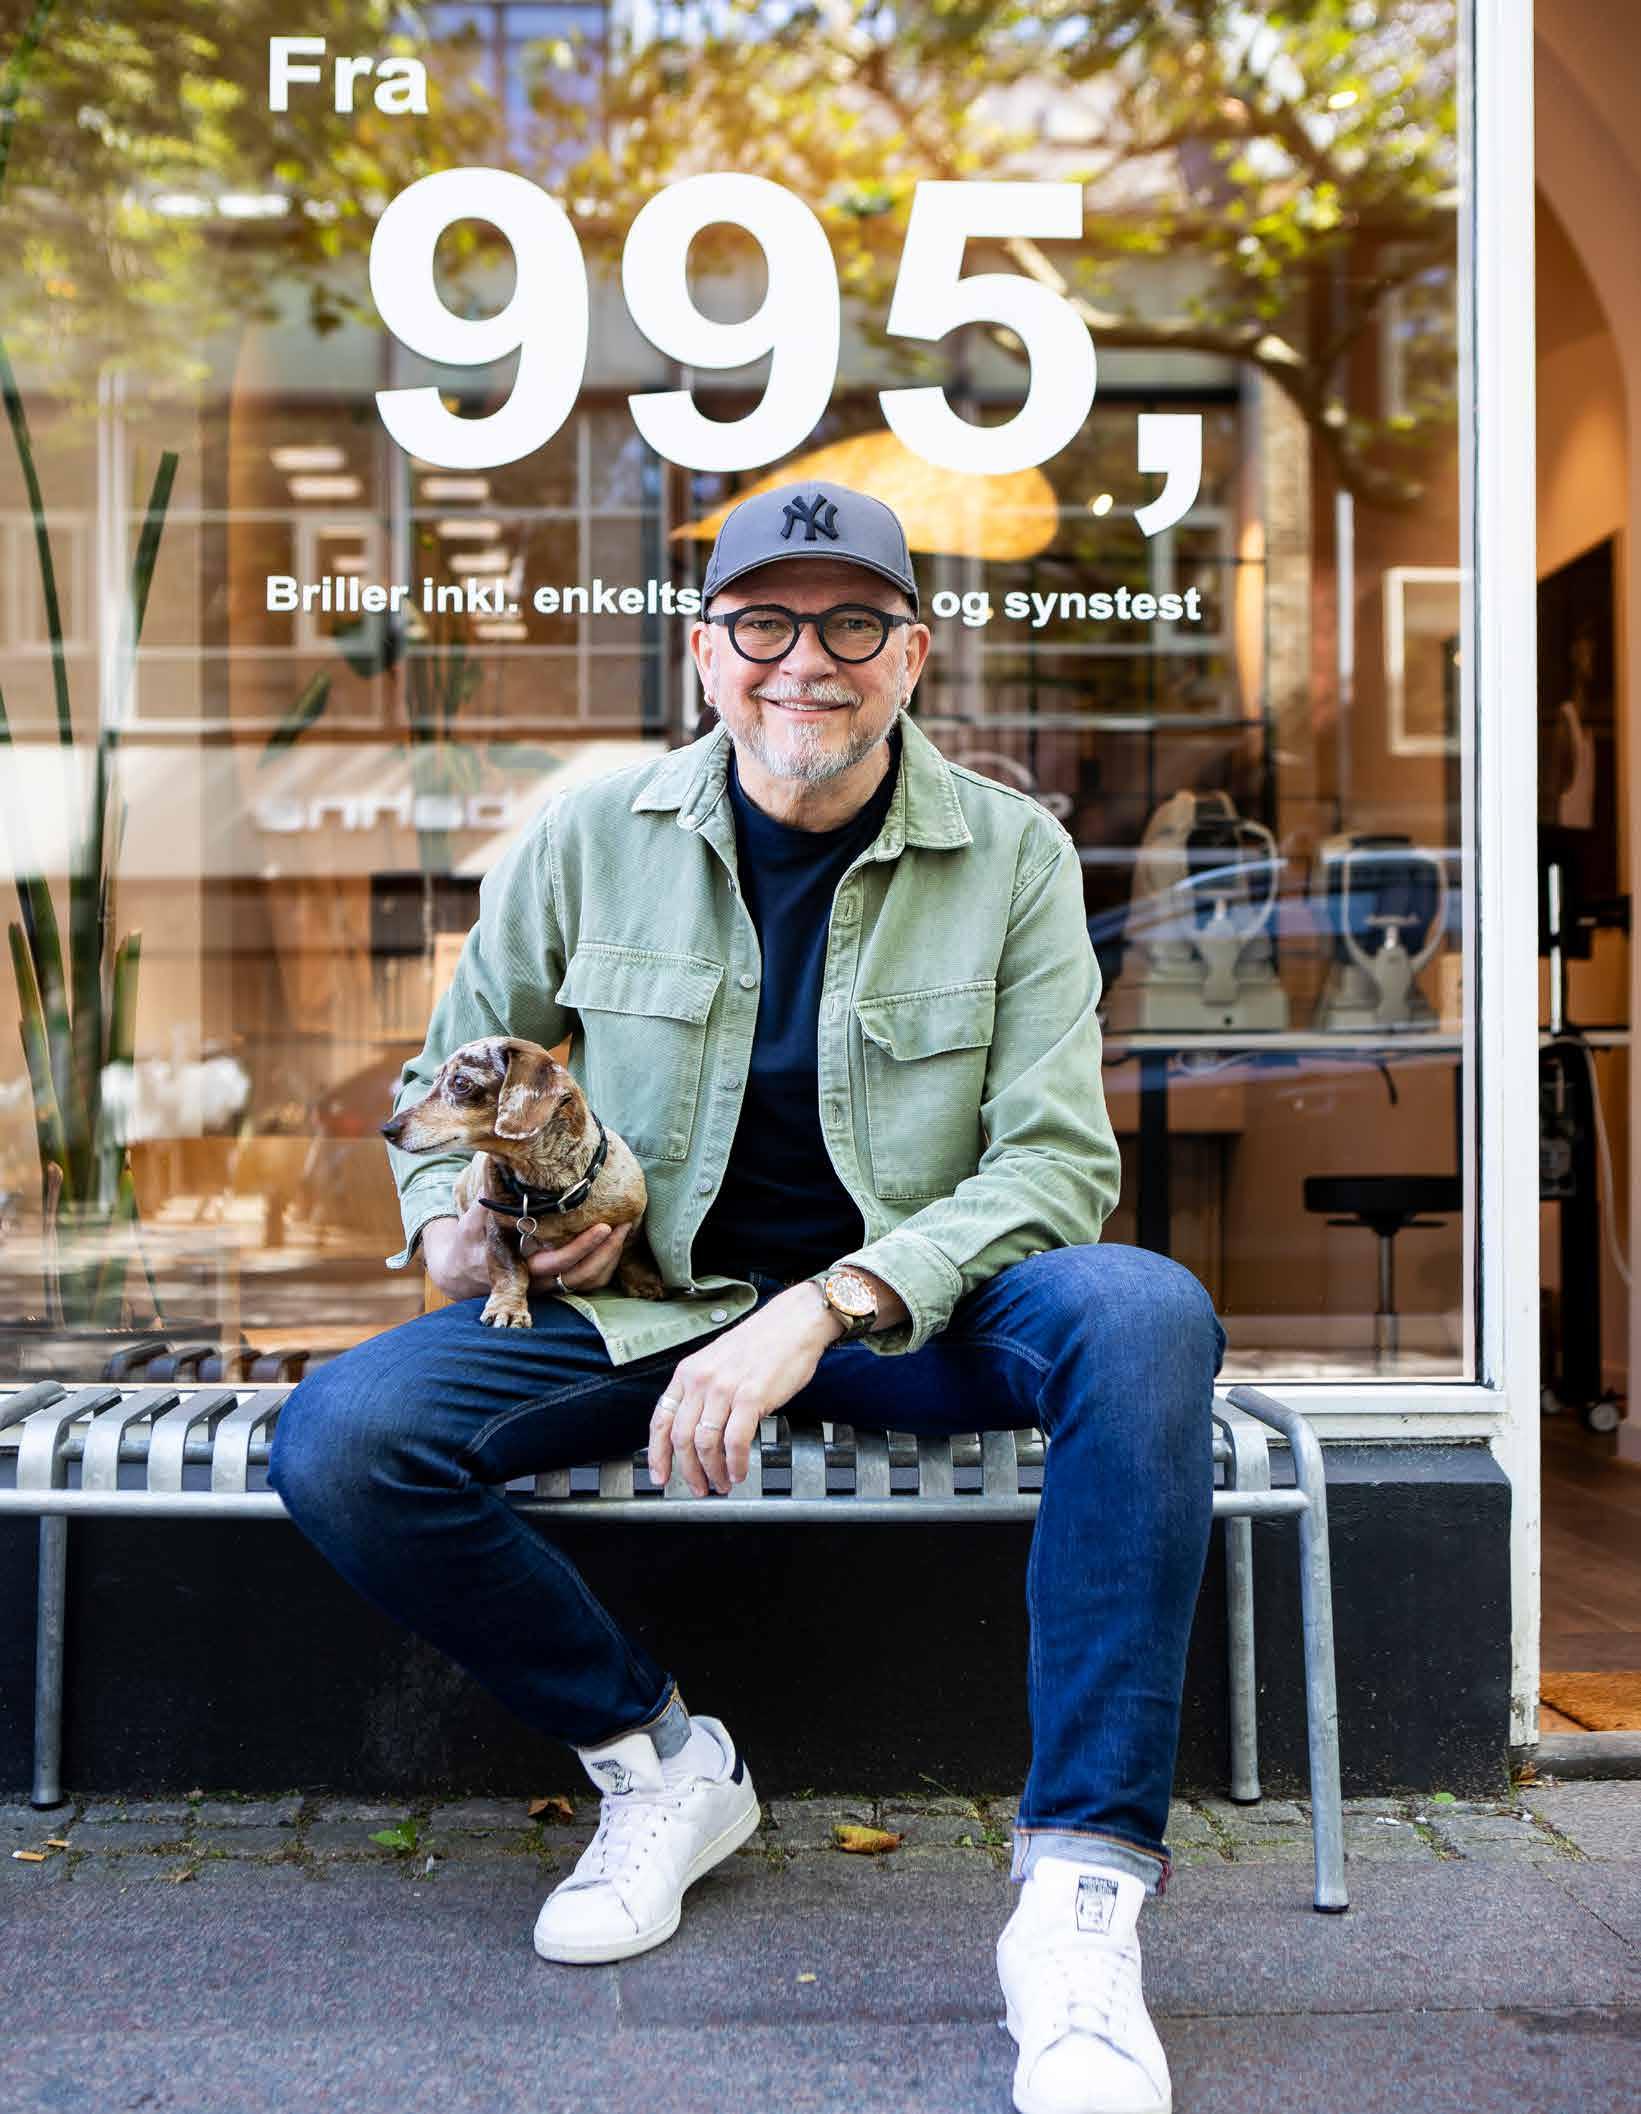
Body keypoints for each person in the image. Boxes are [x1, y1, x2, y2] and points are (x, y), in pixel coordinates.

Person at [268, 479, 1227, 2114]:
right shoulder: (589, 834)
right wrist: (454, 1226)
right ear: (705, 652)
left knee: (1142, 1314)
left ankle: (1078, 1904)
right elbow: (447, 1072)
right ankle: (659, 1765)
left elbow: (1059, 1163)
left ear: (910, 654)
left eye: (852, 622)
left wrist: (830, 1300)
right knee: (347, 1436)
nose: (807, 661)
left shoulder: (1010, 851)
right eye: (764, 622)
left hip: (917, 1314)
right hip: (656, 1311)